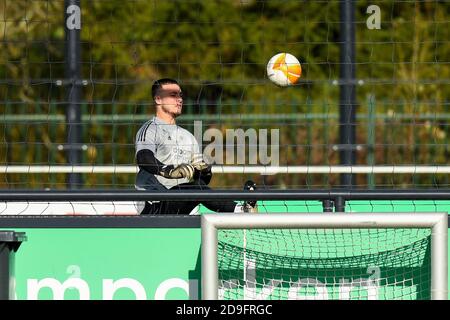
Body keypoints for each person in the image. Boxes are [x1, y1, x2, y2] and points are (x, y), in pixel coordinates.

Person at [135, 78, 257, 215]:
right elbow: (143, 157)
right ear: (158, 99)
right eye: (173, 95)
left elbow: (200, 183)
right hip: (154, 204)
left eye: (180, 95)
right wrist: (167, 171)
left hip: (180, 202)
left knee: (197, 187)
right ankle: (242, 209)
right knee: (196, 189)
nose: (179, 99)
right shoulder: (150, 129)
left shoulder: (188, 137)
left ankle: (243, 209)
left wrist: (204, 171)